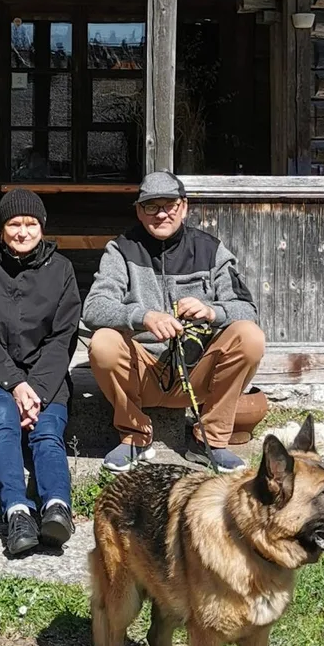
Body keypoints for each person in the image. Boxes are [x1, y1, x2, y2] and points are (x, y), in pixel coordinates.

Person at [83, 171, 265, 473]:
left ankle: (211, 441)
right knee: (102, 342)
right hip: (143, 372)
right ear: (140, 211)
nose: (161, 214)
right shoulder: (122, 249)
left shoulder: (211, 250)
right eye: (151, 207)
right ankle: (134, 436)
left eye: (169, 205)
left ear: (184, 207)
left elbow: (247, 310)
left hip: (197, 373)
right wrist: (143, 317)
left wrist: (212, 311)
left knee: (250, 336)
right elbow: (94, 308)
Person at [0, 187, 82, 559]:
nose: (23, 232)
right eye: (14, 224)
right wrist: (15, 384)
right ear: (1, 229)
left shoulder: (61, 270)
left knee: (47, 430)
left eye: (31, 224)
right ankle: (17, 513)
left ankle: (57, 507)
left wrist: (37, 389)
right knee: (3, 416)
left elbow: (63, 337)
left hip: (48, 376)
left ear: (42, 227)